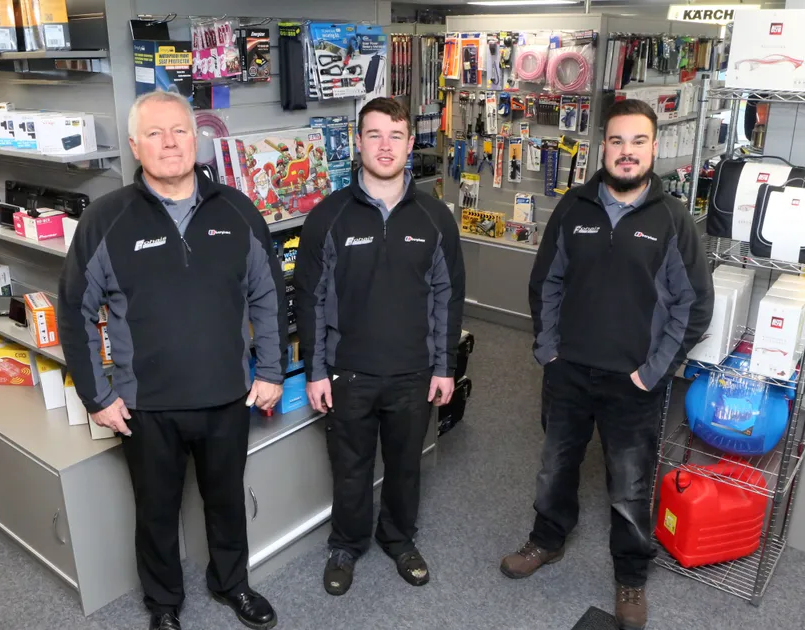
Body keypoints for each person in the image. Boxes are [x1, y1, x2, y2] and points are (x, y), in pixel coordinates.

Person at [58, 90, 287, 630]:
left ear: (196, 138)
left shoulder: (237, 210)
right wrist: (98, 397)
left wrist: (273, 370)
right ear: (136, 146)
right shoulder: (106, 219)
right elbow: (74, 311)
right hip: (146, 406)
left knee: (226, 501)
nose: (169, 143)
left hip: (226, 395)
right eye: (155, 133)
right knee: (156, 511)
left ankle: (232, 584)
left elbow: (269, 295)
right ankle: (163, 604)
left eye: (180, 131)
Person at [500, 99, 713, 630]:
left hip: (634, 381)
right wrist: (547, 349)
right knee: (554, 467)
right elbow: (545, 282)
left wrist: (656, 369)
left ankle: (631, 578)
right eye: (617, 141)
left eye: (638, 142)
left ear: (653, 149)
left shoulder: (671, 220)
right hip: (568, 371)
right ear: (603, 147)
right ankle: (546, 540)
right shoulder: (574, 207)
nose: (626, 152)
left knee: (630, 484)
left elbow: (694, 306)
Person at [294, 97, 465, 596]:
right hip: (348, 373)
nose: (385, 145)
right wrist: (316, 370)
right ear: (358, 142)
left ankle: (398, 537)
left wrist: (444, 366)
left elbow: (447, 298)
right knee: (350, 468)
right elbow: (312, 301)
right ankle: (346, 544)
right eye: (374, 134)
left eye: (395, 135)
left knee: (405, 465)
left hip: (414, 373)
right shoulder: (328, 217)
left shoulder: (435, 218)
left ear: (411, 143)